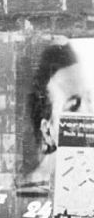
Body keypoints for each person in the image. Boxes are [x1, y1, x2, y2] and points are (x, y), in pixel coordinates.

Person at [22, 42, 93, 186]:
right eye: (73, 107)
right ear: (47, 132)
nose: (89, 115)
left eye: (90, 100)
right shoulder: (33, 191)